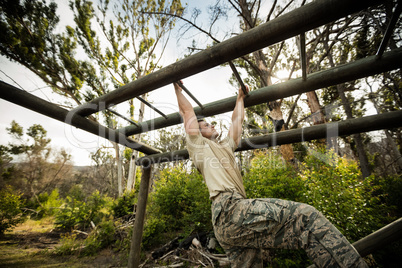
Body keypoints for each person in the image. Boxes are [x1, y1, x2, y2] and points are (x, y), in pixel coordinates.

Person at [173, 81, 368, 268]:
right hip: (229, 209)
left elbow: (236, 121)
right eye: (206, 125)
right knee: (305, 218)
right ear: (197, 132)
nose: (213, 125)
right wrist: (178, 88)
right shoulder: (198, 146)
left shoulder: (225, 146)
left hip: (229, 222)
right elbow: (187, 112)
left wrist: (240, 98)